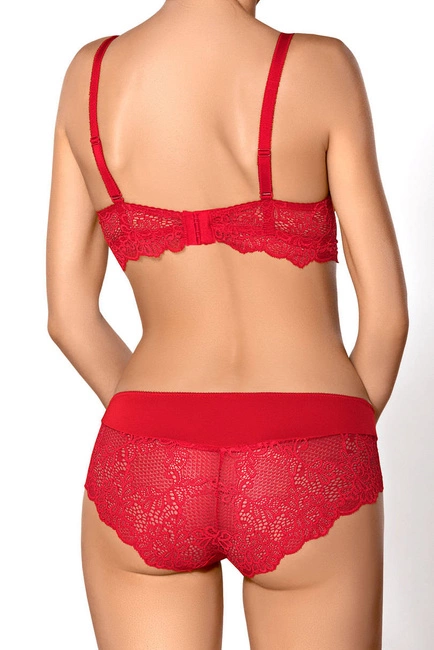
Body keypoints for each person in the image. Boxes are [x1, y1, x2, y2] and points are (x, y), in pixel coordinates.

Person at [46, 0, 409, 647]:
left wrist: (151, 419)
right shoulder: (319, 68)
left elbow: (68, 316)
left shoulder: (89, 77)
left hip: (145, 455)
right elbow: (387, 318)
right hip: (306, 442)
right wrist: (333, 442)